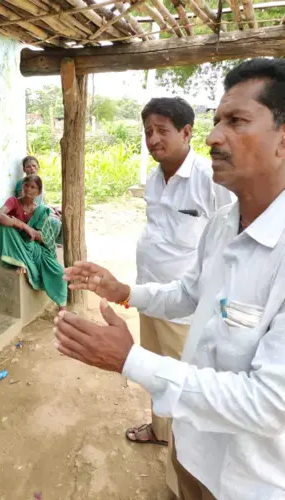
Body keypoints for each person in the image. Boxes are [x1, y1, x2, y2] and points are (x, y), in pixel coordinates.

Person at [55, 58, 285, 499]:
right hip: (192, 445)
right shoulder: (223, 224)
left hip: (248, 481)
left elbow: (269, 404)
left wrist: (130, 360)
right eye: (217, 121)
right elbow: (190, 292)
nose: (214, 136)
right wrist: (124, 291)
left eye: (236, 121)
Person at [129, 97, 232, 455]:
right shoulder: (155, 178)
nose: (153, 139)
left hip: (186, 308)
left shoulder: (210, 178)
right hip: (148, 295)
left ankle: (187, 455)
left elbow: (233, 235)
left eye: (162, 130)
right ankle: (160, 431)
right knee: (156, 373)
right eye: (148, 132)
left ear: (187, 132)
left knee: (185, 380)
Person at [0, 174, 67, 309]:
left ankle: (63, 309)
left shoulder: (40, 210)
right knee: (4, 224)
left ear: (38, 192)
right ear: (22, 187)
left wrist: (36, 233)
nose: (28, 189)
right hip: (16, 243)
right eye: (26, 185)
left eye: (33, 187)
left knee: (59, 272)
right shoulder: (13, 201)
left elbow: (39, 237)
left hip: (34, 247)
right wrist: (23, 226)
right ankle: (19, 261)